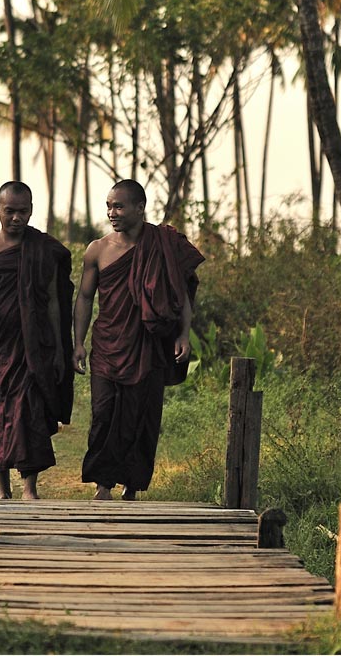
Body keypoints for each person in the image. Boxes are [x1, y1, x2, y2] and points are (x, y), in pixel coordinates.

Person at [74, 179, 204, 501]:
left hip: (149, 344)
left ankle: (131, 487)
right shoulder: (98, 250)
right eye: (108, 206)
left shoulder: (163, 244)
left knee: (141, 415)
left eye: (118, 206)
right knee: (104, 413)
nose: (111, 212)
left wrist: (184, 334)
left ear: (139, 208)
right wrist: (78, 342)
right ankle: (103, 485)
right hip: (107, 344)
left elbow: (181, 294)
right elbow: (85, 297)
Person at [0, 181, 74, 500]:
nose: (16, 217)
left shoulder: (45, 249)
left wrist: (57, 347)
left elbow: (54, 302)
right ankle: (2, 491)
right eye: (9, 211)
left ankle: (29, 488)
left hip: (34, 345)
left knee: (31, 411)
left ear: (31, 210)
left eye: (23, 211)